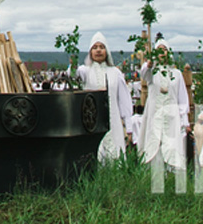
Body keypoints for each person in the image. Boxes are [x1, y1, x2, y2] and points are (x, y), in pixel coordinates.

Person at [77, 32, 134, 162]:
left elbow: (124, 101)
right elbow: (74, 74)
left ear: (106, 51)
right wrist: (74, 62)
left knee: (114, 153)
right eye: (95, 47)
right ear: (90, 52)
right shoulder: (85, 71)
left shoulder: (115, 73)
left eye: (101, 47)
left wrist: (129, 127)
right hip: (92, 121)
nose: (98, 50)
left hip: (113, 120)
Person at [140, 39, 190, 181]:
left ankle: (172, 176)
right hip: (154, 112)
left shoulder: (176, 74)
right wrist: (148, 64)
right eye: (159, 50)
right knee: (155, 141)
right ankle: (154, 175)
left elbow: (182, 98)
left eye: (165, 49)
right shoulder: (152, 72)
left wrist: (185, 121)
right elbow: (144, 74)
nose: (162, 52)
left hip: (171, 114)